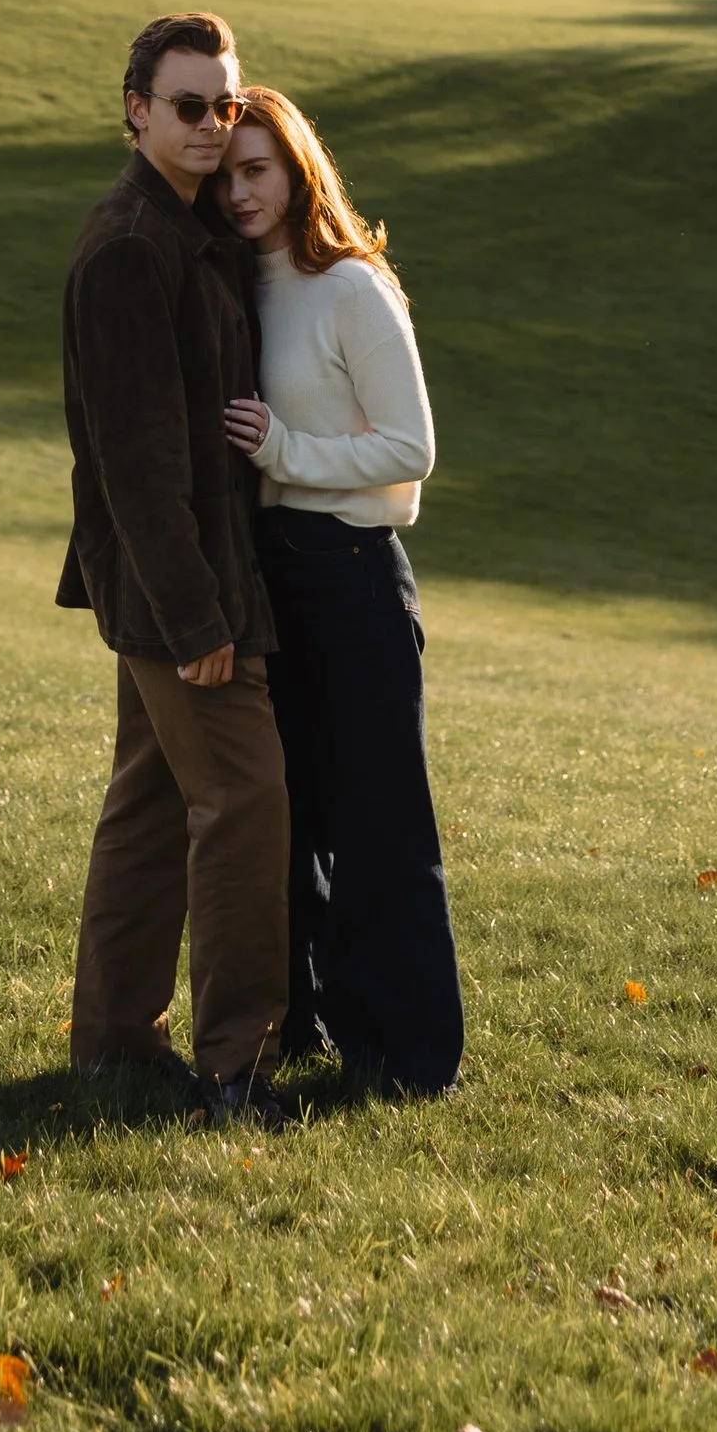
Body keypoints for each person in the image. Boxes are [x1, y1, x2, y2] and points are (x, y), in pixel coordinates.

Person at [56, 8, 291, 1128]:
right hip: (178, 593)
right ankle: (234, 1072)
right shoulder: (132, 250)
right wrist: (200, 620)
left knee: (150, 804)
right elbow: (135, 464)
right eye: (189, 106)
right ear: (136, 110)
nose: (212, 126)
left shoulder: (193, 235)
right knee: (243, 802)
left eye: (227, 106)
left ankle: (109, 1045)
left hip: (184, 579)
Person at [217, 88, 464, 1098]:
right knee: (294, 817)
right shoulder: (238, 283)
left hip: (354, 578)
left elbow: (413, 449)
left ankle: (410, 1061)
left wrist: (283, 451)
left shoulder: (352, 288)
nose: (238, 191)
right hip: (273, 575)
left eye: (257, 169)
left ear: (299, 169)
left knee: (379, 826)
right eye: (227, 172)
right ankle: (313, 1027)